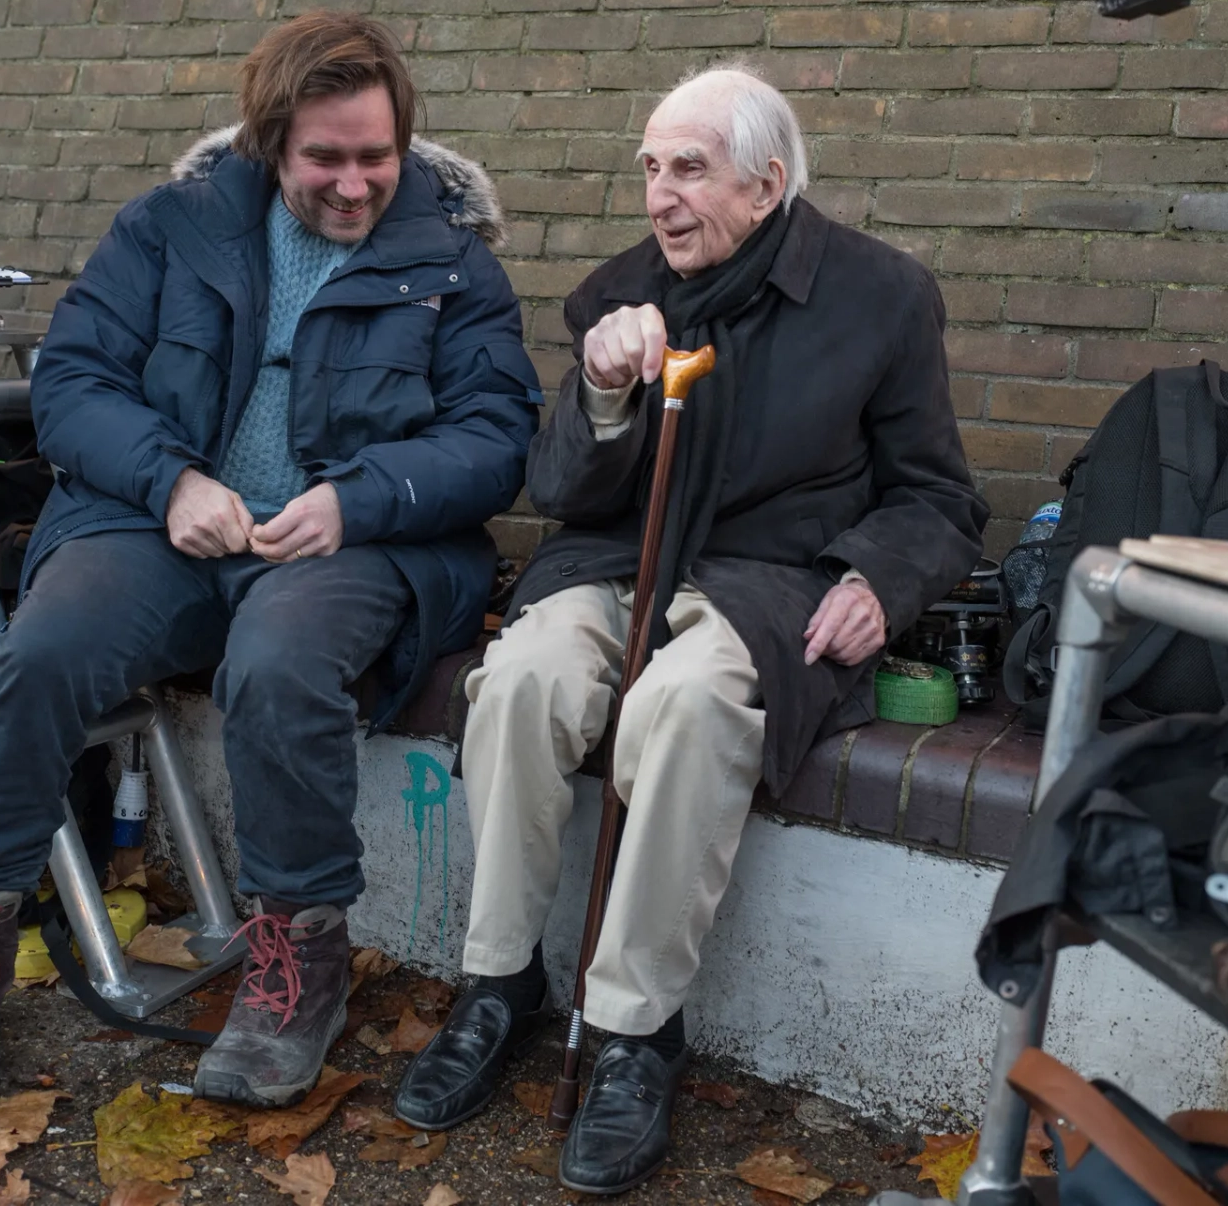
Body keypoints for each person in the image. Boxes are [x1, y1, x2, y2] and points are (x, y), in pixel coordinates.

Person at [0, 12, 540, 1115]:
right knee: (37, 655)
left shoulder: (453, 263)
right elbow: (75, 383)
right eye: (325, 158)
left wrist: (353, 499)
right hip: (161, 526)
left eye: (375, 155)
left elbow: (496, 437)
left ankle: (296, 959)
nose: (353, 182)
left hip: (354, 542)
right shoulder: (170, 229)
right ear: (271, 141)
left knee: (278, 667)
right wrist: (170, 482)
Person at [394, 64, 989, 1193]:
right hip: (619, 557)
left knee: (684, 702)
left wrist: (878, 578)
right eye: (650, 170)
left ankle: (632, 1029)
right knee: (519, 678)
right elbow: (561, 485)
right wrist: (605, 393)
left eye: (689, 170)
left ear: (766, 185)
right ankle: (498, 981)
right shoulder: (618, 294)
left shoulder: (881, 295)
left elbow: (939, 496)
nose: (660, 196)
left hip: (774, 578)